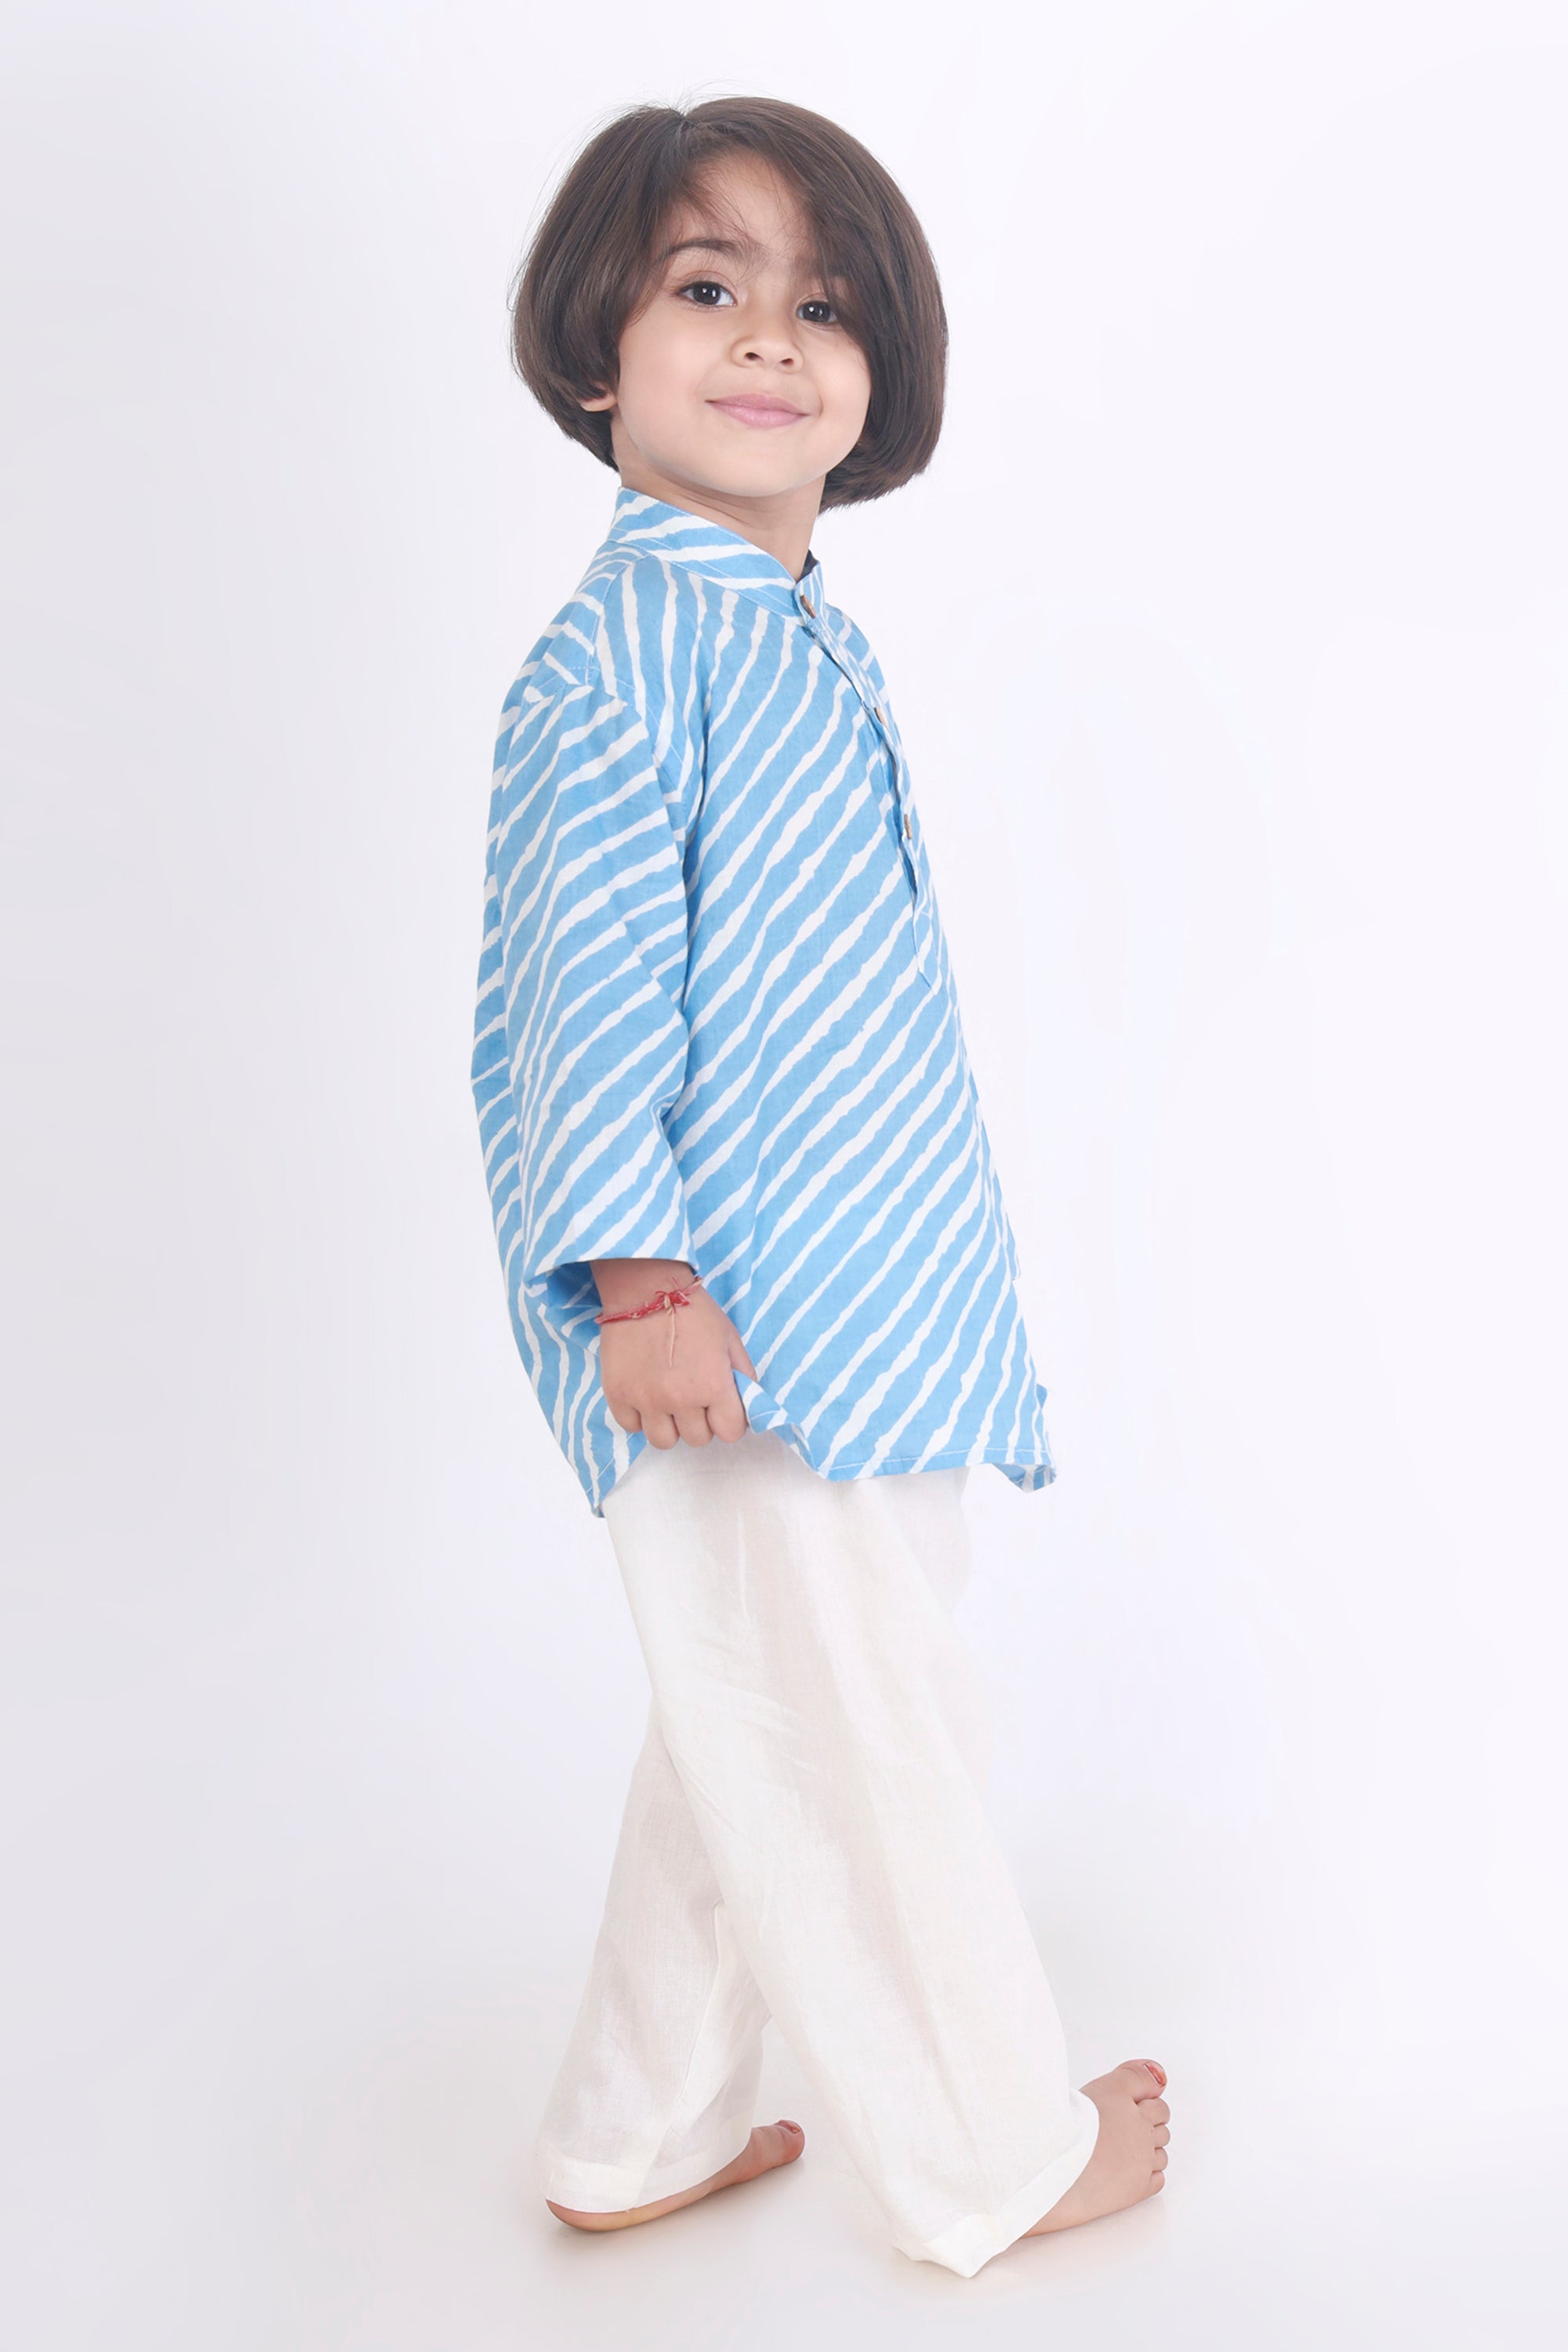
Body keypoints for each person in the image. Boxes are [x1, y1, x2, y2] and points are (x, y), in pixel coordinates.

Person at [470, 96, 1170, 2279]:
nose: (773, 337)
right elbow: (587, 982)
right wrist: (641, 1277)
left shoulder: (792, 636)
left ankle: (637, 2125)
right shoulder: (621, 657)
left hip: (865, 1307)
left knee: (757, 1722)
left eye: (826, 302)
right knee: (868, 1738)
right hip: (731, 1323)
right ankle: (989, 2155)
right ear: (598, 346)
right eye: (709, 286)